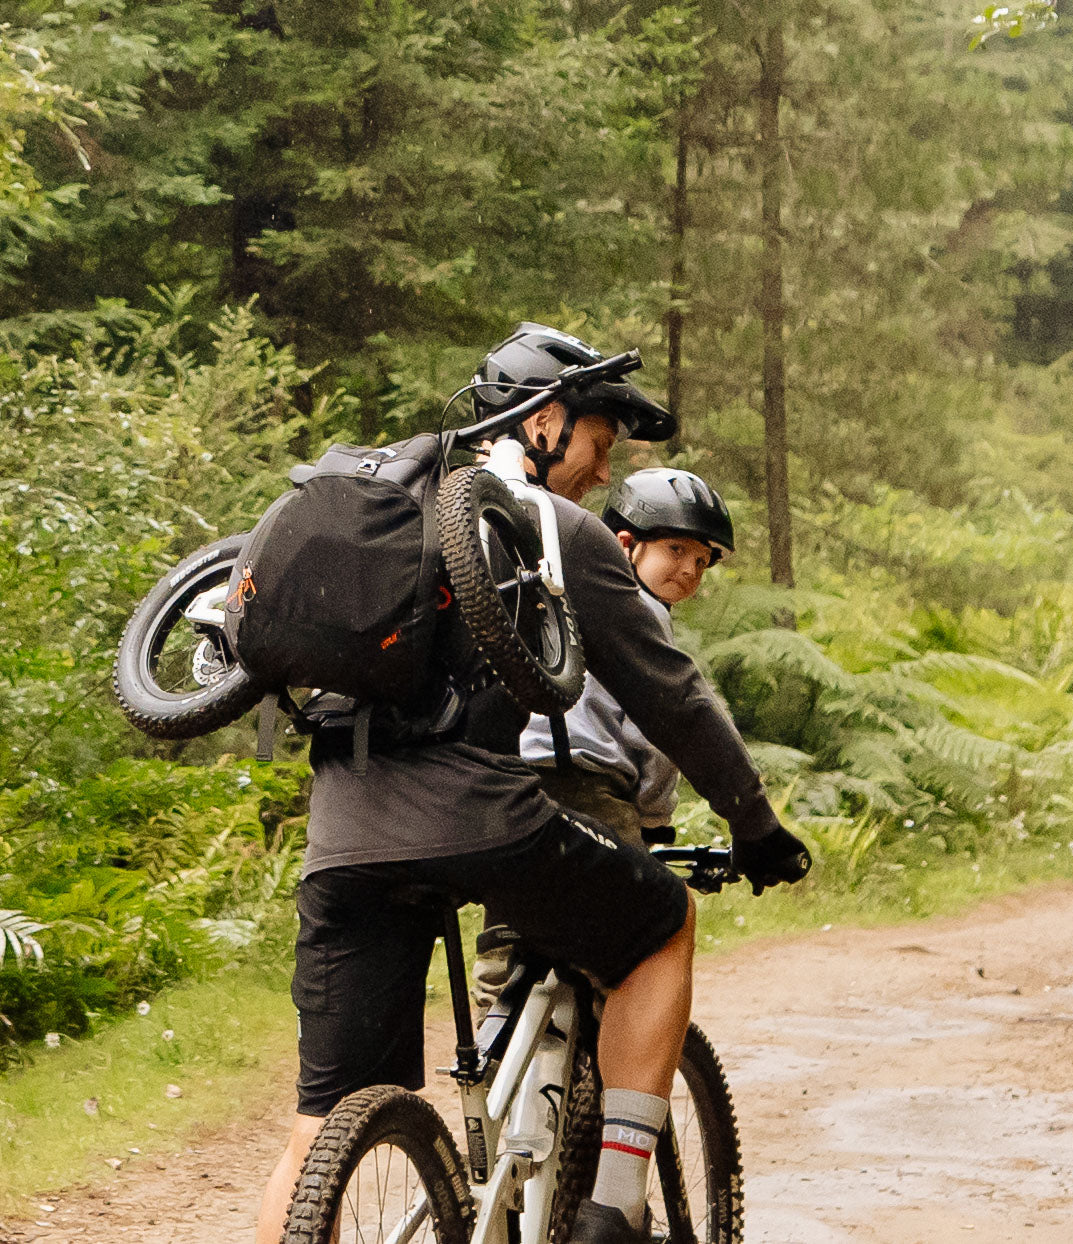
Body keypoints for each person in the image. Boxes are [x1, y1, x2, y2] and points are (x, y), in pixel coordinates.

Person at [256, 323, 810, 1244]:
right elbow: (671, 698)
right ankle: (613, 1212)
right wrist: (753, 820)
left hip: (341, 832)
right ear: (545, 421)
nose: (602, 472)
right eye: (599, 442)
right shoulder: (551, 527)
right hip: (476, 815)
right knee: (661, 924)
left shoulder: (384, 501)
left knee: (324, 1125)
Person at [473, 466, 736, 1013]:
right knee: (634, 960)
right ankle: (616, 1092)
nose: (689, 569)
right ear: (626, 544)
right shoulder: (644, 617)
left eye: (702, 561)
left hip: (509, 788)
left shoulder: (552, 596)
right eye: (676, 550)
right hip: (591, 793)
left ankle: (496, 1070)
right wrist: (655, 817)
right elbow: (661, 736)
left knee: (505, 950)